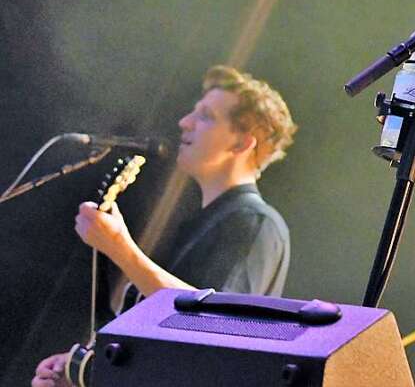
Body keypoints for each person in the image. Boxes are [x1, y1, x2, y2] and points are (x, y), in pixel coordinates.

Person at [32, 65, 298, 387]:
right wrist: (84, 369)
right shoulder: (201, 224)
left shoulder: (254, 222)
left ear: (242, 143)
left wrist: (121, 249)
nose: (184, 122)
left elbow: (217, 325)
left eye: (206, 116)